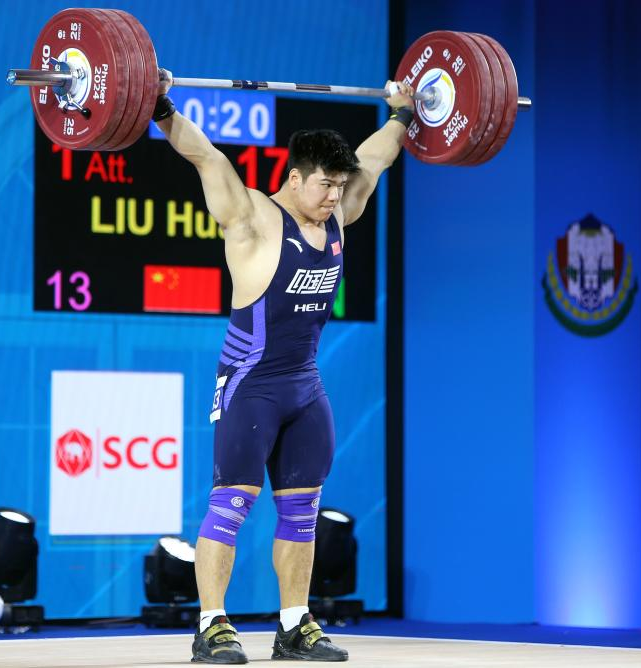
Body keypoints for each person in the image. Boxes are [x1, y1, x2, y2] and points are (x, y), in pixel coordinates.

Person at [154, 69, 414, 664]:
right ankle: (211, 625)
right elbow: (204, 156)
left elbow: (376, 158)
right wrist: (160, 106)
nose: (334, 196)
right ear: (294, 177)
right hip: (251, 386)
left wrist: (402, 112)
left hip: (304, 387)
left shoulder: (337, 215)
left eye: (339, 186)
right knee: (232, 502)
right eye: (325, 185)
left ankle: (294, 626)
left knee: (302, 512)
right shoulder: (251, 218)